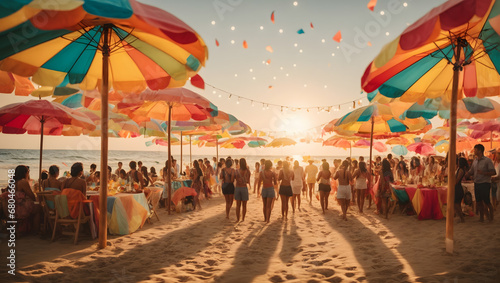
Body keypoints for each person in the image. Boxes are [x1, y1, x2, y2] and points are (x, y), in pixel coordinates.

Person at [466, 144, 495, 222]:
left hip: (485, 183)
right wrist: (467, 174)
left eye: (475, 149)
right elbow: (471, 171)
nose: (474, 151)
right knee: (479, 202)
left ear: (479, 150)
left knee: (487, 201)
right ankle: (482, 217)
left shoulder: (487, 160)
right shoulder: (475, 161)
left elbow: (493, 172)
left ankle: (491, 217)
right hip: (477, 183)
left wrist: (483, 173)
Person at [13, 165, 42, 234]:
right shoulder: (23, 182)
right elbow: (31, 195)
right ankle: (35, 230)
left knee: (33, 207)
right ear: (25, 173)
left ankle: (30, 228)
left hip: (14, 207)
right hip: (20, 209)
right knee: (38, 208)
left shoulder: (14, 182)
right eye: (28, 172)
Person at [455, 157, 469, 223]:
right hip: (457, 187)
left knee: (456, 204)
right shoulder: (459, 169)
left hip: (458, 188)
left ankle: (462, 218)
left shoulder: (461, 170)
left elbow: (457, 180)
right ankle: (461, 218)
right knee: (457, 204)